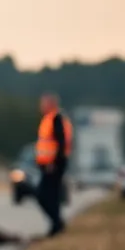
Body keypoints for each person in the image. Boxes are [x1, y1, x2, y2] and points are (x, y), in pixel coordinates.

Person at [35, 93, 72, 237]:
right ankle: (56, 225)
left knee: (44, 195)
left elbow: (60, 143)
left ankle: (57, 223)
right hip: (50, 164)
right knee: (51, 196)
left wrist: (53, 163)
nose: (40, 106)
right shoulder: (49, 119)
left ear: (51, 104)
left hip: (54, 165)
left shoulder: (56, 119)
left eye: (43, 103)